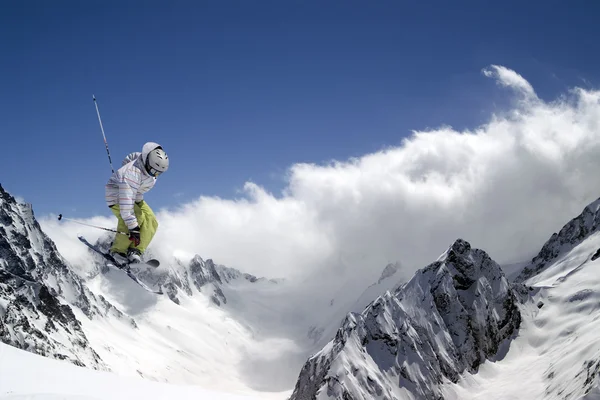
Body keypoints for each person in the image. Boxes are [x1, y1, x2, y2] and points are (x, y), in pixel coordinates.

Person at [104, 142, 169, 263]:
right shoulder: (132, 174)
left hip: (135, 196)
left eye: (158, 173)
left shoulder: (146, 163)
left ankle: (135, 250)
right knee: (136, 218)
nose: (155, 175)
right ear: (147, 162)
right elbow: (126, 207)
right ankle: (117, 251)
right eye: (153, 170)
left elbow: (132, 157)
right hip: (117, 196)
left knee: (151, 220)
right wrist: (134, 228)